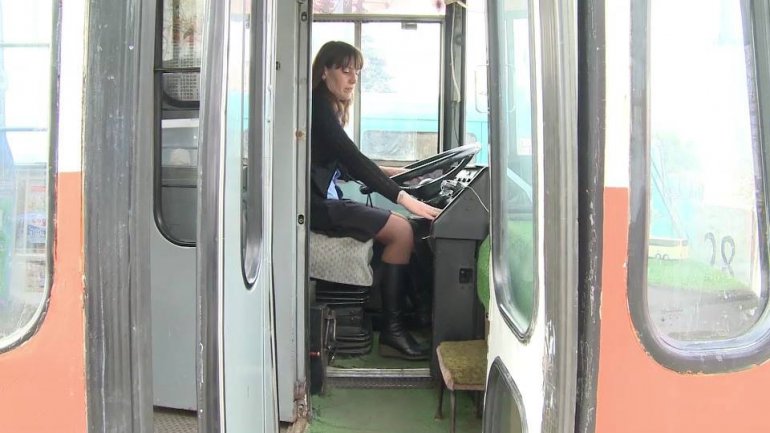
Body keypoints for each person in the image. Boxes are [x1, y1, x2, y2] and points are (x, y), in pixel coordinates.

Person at [310, 41, 440, 360]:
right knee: (402, 231)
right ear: (324, 71)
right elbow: (353, 160)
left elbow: (348, 162)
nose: (352, 78)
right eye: (345, 69)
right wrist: (404, 198)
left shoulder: (325, 108)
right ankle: (393, 335)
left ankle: (417, 313)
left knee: (405, 227)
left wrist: (403, 172)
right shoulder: (317, 108)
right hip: (315, 207)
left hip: (325, 200)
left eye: (356, 71)